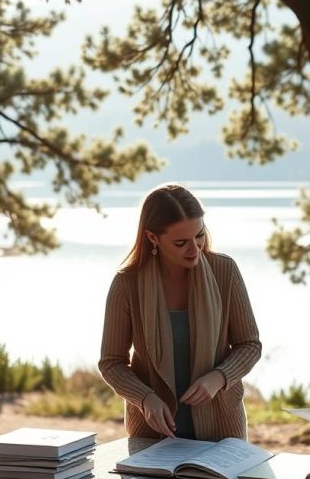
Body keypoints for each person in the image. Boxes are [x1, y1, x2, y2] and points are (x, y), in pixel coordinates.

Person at [99, 183, 262, 441]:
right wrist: (145, 399)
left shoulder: (225, 271)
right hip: (152, 435)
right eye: (180, 242)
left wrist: (218, 378)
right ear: (153, 237)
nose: (194, 248)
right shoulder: (126, 284)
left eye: (199, 235)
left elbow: (250, 345)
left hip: (221, 431)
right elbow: (111, 363)